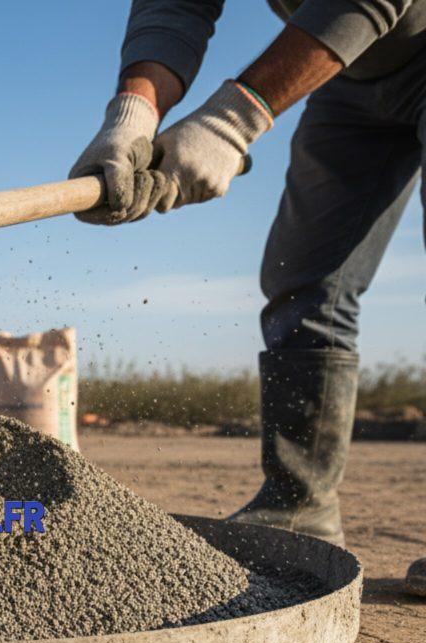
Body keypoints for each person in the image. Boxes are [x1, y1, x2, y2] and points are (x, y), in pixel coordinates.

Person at [69, 0, 426, 596]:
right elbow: (175, 5)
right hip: (354, 77)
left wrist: (231, 121)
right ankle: (299, 504)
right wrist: (133, 113)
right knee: (304, 282)